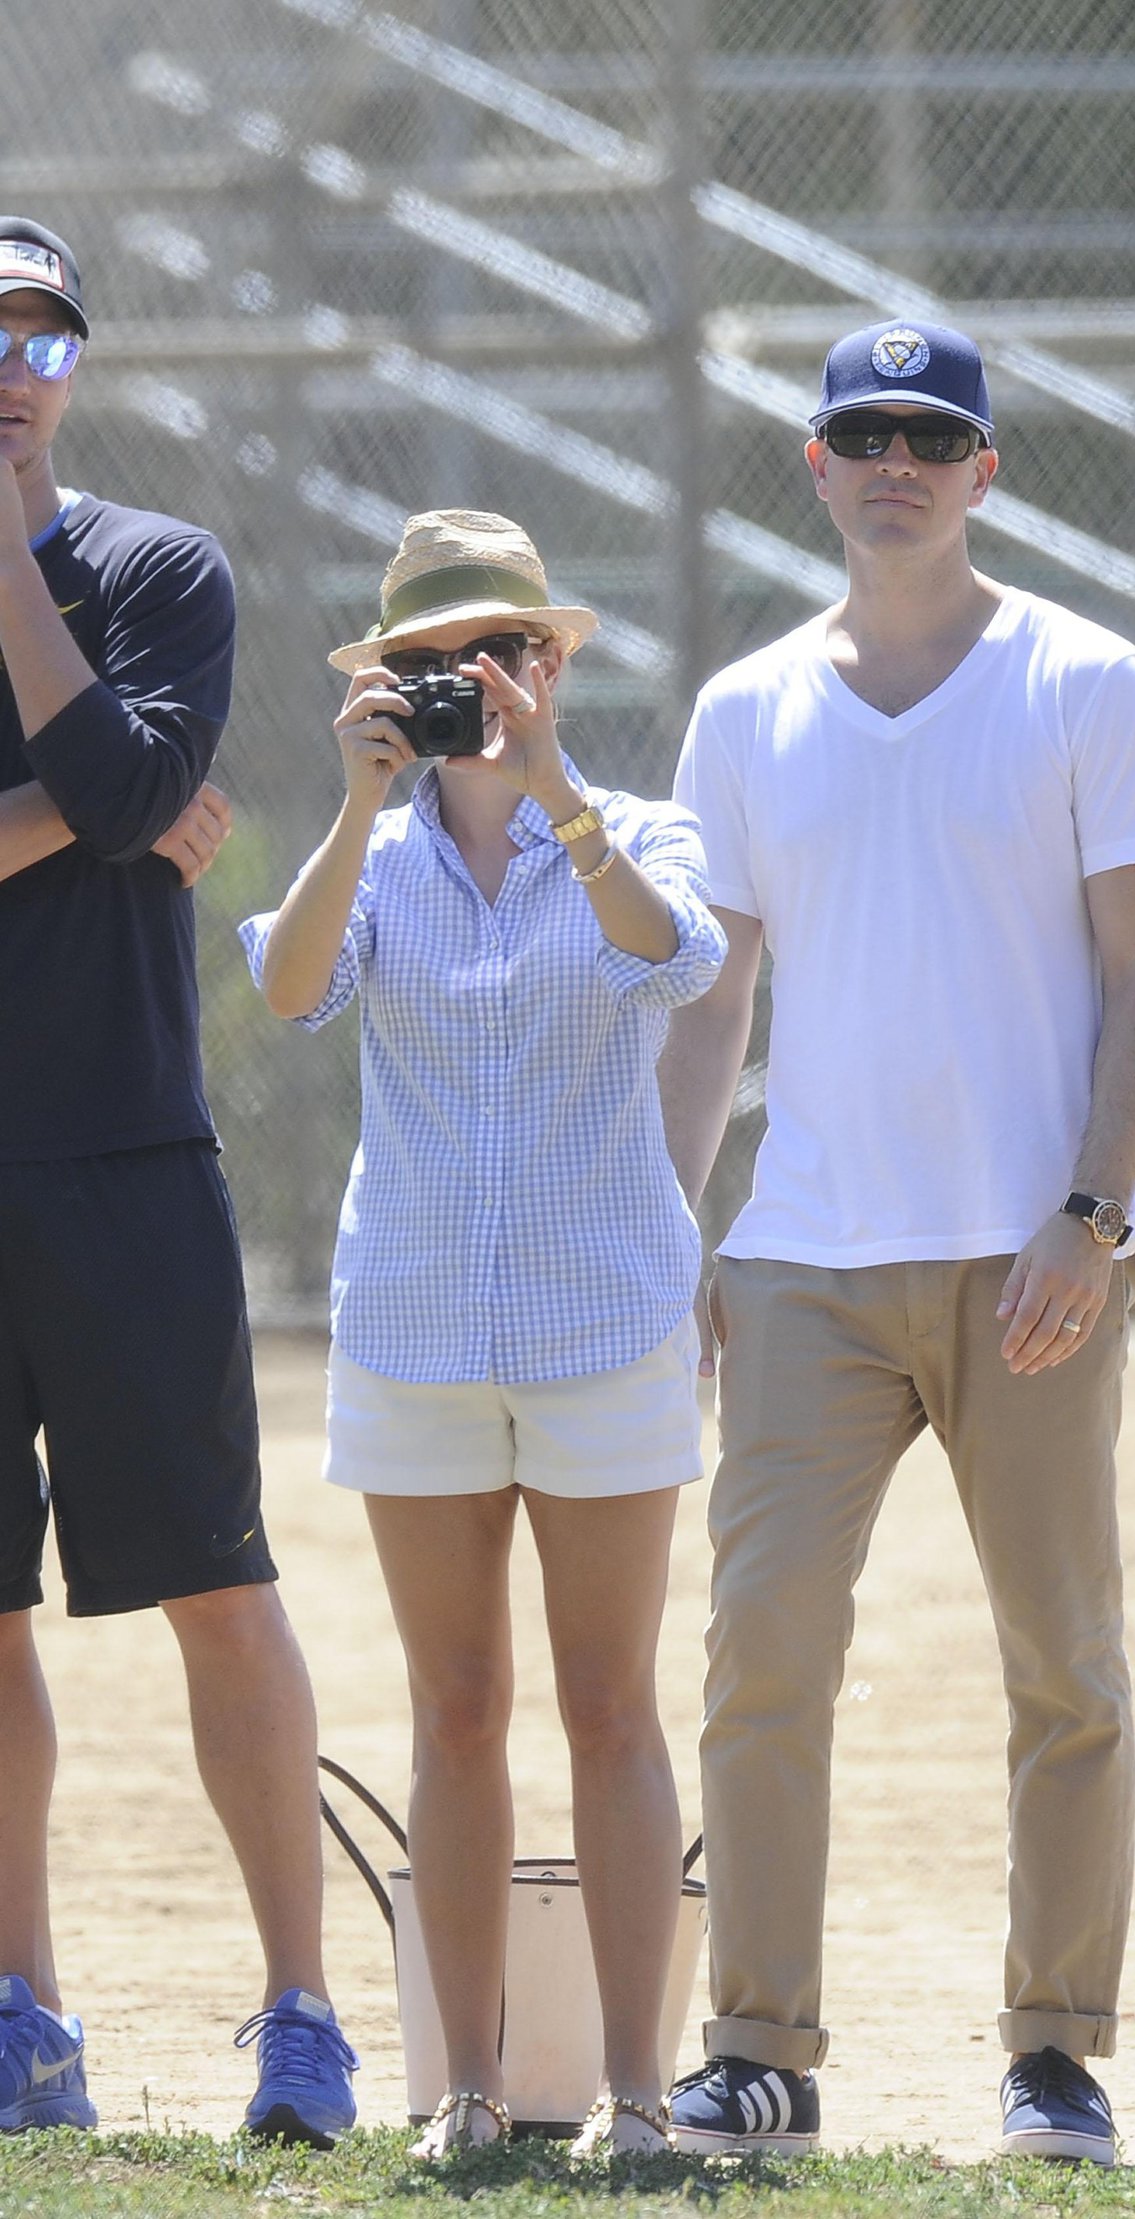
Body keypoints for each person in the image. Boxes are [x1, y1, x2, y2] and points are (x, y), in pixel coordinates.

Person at [658, 319, 1135, 2167]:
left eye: (932, 434)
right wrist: (683, 1230)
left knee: (1064, 1663)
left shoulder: (1084, 677)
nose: (897, 458)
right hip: (804, 1255)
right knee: (760, 1645)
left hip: (1033, 1257)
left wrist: (1086, 1210)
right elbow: (715, 1006)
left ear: (987, 471)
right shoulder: (741, 709)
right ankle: (758, 2052)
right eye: (862, 431)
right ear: (812, 465)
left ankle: (1055, 2055)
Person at [239, 510, 727, 2160]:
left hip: (602, 1322)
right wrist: (360, 796)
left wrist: (556, 792)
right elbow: (291, 994)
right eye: (439, 661)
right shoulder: (367, 860)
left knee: (613, 1709)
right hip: (423, 1328)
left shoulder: (640, 830)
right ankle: (460, 2090)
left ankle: (641, 2099)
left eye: (507, 650)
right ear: (387, 680)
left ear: (555, 661)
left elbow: (676, 961)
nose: (479, 682)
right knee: (453, 1710)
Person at [0, 216, 358, 2143]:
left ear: (76, 370)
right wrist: (99, 805)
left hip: (125, 1150)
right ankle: (20, 2019)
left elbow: (157, 800)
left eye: (40, 339)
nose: (8, 368)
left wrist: (7, 574)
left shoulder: (156, 567)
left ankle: (302, 2010)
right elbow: (133, 799)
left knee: (219, 1586)